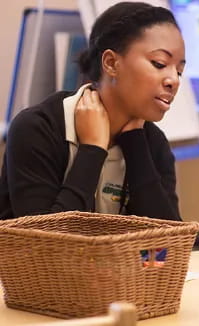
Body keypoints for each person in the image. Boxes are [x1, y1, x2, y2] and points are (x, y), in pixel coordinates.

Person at [0, 2, 185, 221]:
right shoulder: (37, 128)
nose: (173, 80)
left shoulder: (153, 143)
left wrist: (135, 146)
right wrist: (92, 150)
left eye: (179, 71)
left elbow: (168, 244)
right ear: (111, 63)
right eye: (159, 63)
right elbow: (45, 243)